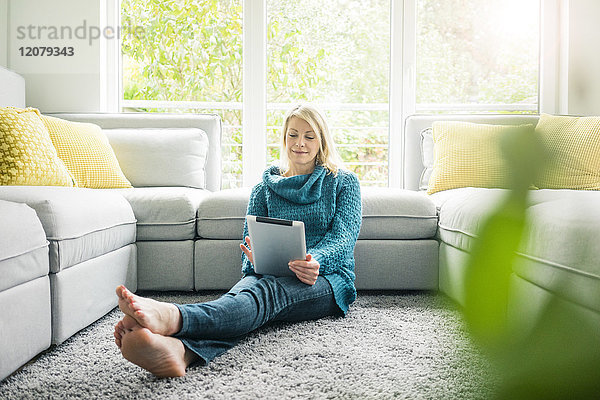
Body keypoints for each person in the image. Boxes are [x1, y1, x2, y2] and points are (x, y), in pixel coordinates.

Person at [113, 104, 362, 377]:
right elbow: (249, 241)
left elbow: (343, 239)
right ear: (284, 138)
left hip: (327, 280)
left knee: (264, 295)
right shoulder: (264, 188)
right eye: (293, 135)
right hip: (268, 272)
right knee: (241, 298)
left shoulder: (343, 182)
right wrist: (254, 259)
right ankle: (181, 352)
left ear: (321, 141)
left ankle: (174, 316)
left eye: (309, 136)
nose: (300, 143)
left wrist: (316, 261)